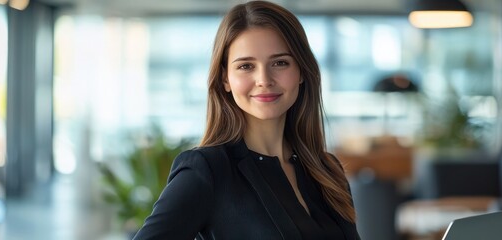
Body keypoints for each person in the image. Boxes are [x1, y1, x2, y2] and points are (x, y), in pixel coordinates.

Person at [132, 1, 360, 239]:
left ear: (301, 71)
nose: (264, 79)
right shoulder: (207, 170)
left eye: (280, 62)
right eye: (246, 66)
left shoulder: (327, 170)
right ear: (225, 79)